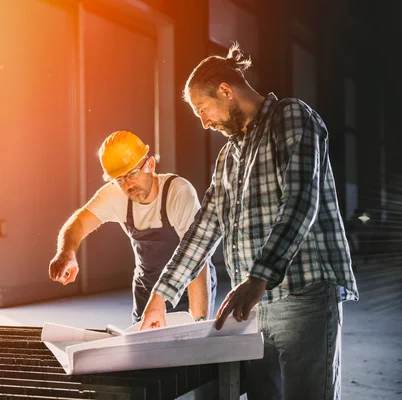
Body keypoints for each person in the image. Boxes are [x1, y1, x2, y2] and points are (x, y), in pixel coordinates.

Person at [139, 43, 359, 400]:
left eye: (203, 109)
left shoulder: (291, 118)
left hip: (303, 297)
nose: (204, 122)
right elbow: (205, 226)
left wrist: (258, 278)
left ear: (226, 91)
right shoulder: (229, 155)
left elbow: (301, 202)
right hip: (253, 305)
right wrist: (163, 294)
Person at [49, 130, 217, 324]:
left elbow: (197, 259)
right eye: (120, 179)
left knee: (187, 349)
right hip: (146, 291)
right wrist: (66, 252)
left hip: (188, 289)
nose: (129, 184)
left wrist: (198, 321)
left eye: (133, 173)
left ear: (151, 165)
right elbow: (79, 221)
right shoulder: (115, 195)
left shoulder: (178, 192)